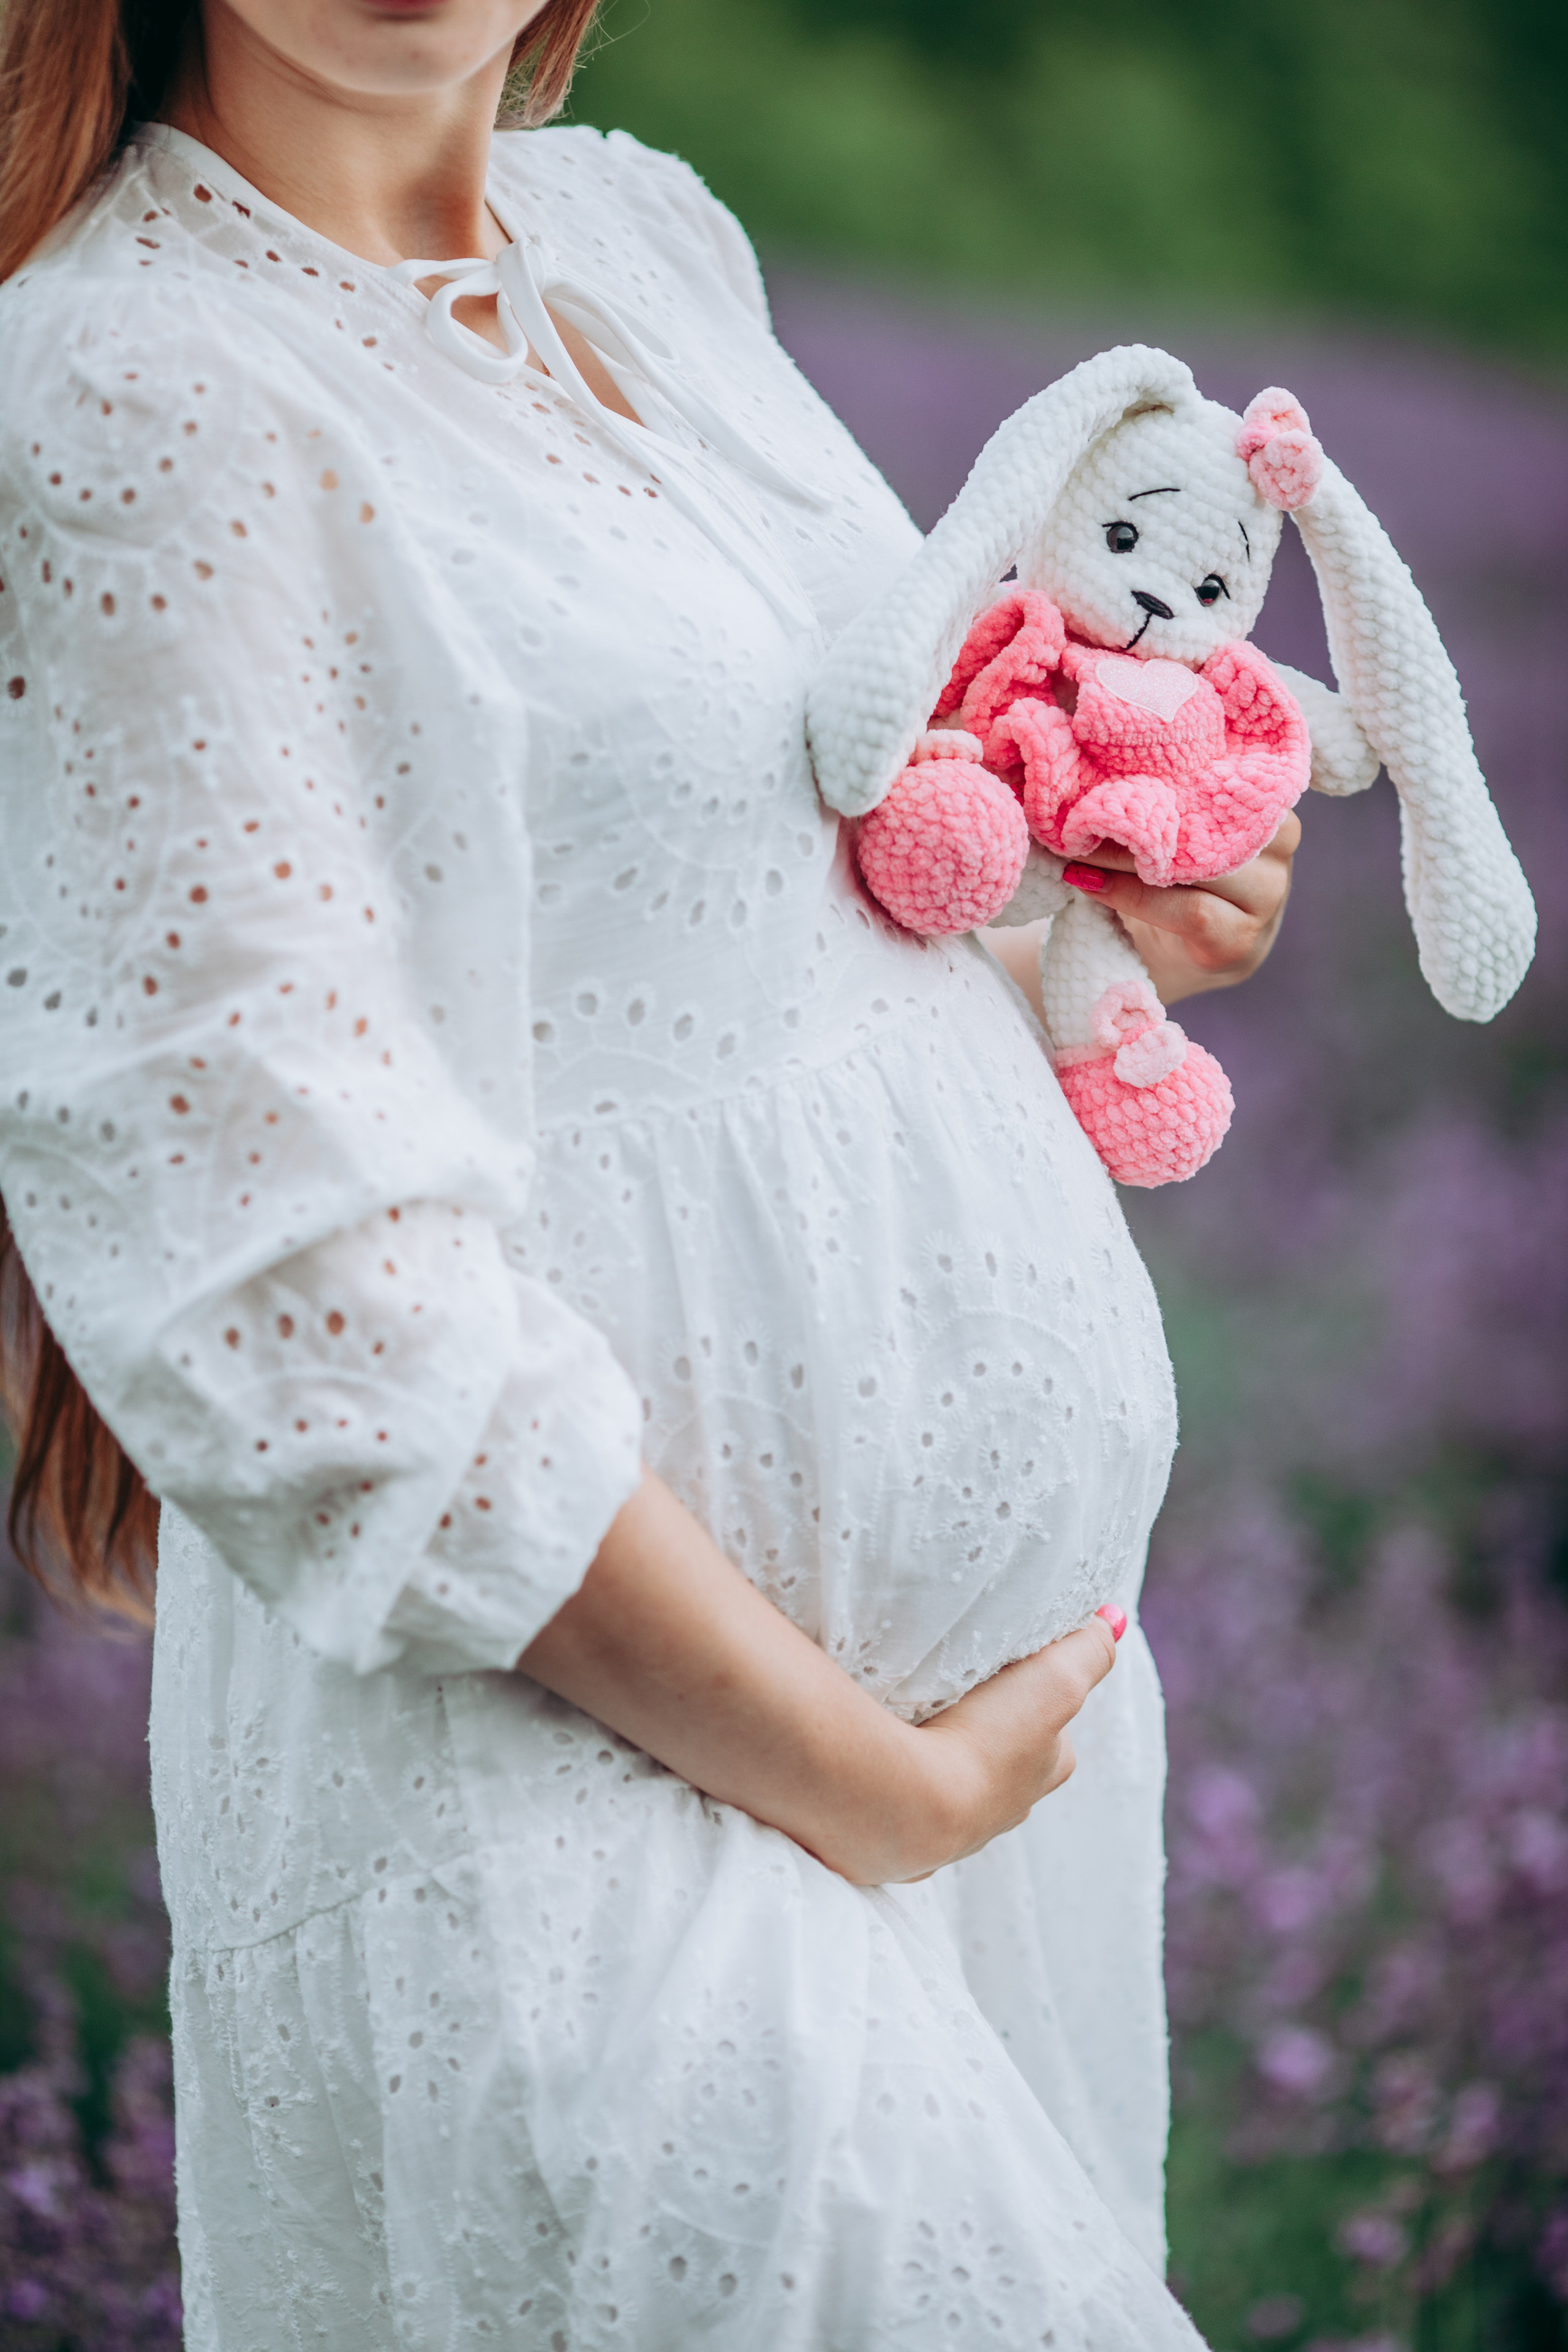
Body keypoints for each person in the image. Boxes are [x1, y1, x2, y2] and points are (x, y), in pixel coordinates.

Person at [0, 2, 1299, 2342]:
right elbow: (283, 1277)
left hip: (966, 1804)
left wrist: (1094, 937)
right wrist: (864, 1785)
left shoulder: (647, 245)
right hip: (586, 1798)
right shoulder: (131, 382)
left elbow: (739, 963)